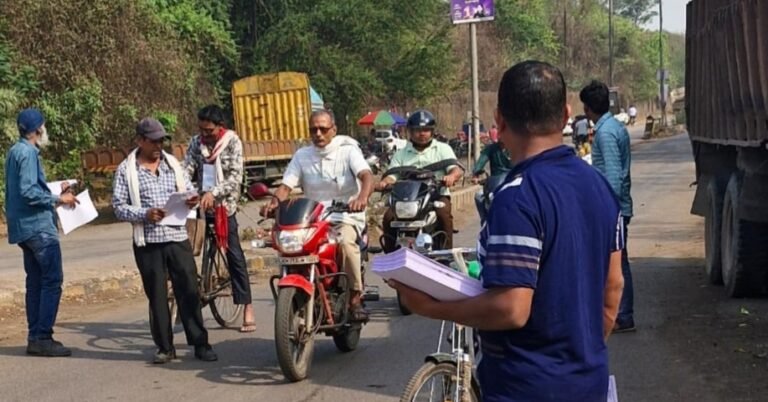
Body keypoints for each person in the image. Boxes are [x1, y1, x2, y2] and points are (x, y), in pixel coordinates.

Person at [390, 61, 625, 401]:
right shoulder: (599, 187)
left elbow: (511, 309)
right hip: (591, 384)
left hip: (525, 388)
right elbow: (613, 288)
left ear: (499, 122)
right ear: (567, 115)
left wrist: (429, 306)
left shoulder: (517, 197)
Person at [113, 118, 217, 364]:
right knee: (157, 295)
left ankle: (200, 344)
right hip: (148, 242)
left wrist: (191, 199)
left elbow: (189, 188)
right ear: (140, 141)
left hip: (177, 237)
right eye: (153, 141)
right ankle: (164, 347)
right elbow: (118, 207)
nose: (158, 145)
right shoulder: (126, 171)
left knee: (189, 291)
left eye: (161, 140)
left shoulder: (173, 164)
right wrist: (144, 214)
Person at [264, 110, 374, 320]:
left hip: (345, 215)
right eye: (313, 129)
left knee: (346, 245)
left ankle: (355, 298)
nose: (318, 133)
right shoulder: (302, 156)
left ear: (333, 129)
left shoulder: (348, 151)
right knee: (291, 248)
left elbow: (366, 176)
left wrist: (362, 198)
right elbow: (286, 187)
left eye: (323, 129)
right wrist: (273, 203)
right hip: (312, 218)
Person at [5, 108, 78, 357]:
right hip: (37, 228)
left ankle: (35, 336)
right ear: (38, 130)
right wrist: (60, 199)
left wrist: (58, 187)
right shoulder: (27, 153)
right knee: (52, 280)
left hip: (24, 228)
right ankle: (42, 336)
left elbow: (31, 187)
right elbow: (28, 192)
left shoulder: (17, 151)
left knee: (35, 282)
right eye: (43, 127)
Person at [182, 104, 256, 333]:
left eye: (209, 131)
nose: (205, 135)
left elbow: (235, 176)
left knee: (233, 254)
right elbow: (187, 168)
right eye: (202, 130)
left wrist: (214, 194)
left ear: (220, 127)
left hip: (225, 205)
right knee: (185, 250)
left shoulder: (232, 142)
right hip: (200, 204)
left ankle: (247, 307)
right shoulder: (197, 142)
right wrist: (185, 190)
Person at [580, 80, 635, 333]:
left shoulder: (605, 133)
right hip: (616, 206)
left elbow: (613, 176)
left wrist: (606, 211)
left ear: (589, 108)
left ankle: (622, 315)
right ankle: (620, 314)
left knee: (616, 262)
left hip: (612, 208)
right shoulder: (614, 127)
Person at [376, 110, 464, 251]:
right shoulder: (401, 153)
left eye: (426, 130)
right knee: (388, 217)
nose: (422, 134)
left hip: (435, 196)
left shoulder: (443, 149)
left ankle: (446, 254)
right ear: (410, 132)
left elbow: (456, 169)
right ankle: (391, 257)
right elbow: (392, 175)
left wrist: (451, 177)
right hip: (406, 200)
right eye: (417, 130)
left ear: (432, 131)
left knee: (443, 214)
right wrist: (384, 182)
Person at [470, 139, 513, 222]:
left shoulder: (516, 147)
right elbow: (482, 160)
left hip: (513, 179)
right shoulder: (491, 149)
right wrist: (476, 174)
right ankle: (484, 220)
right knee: (479, 196)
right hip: (495, 182)